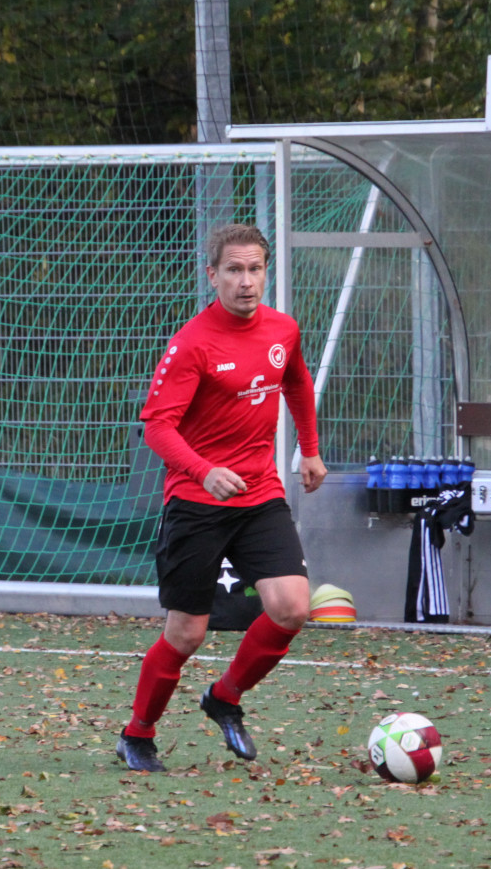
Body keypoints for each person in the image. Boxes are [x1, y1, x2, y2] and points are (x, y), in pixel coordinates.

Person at [116, 223, 328, 772]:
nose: (245, 281)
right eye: (233, 270)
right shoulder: (192, 343)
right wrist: (203, 470)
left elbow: (297, 384)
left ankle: (225, 696)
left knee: (292, 608)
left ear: (266, 272)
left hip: (259, 494)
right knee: (186, 633)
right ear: (212, 275)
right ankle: (137, 734)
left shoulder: (283, 330)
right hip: (197, 502)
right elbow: (158, 427)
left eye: (254, 269)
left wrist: (309, 449)